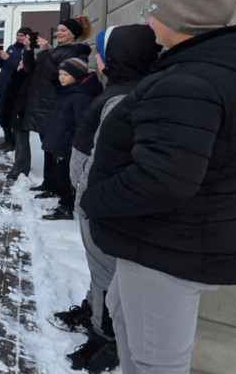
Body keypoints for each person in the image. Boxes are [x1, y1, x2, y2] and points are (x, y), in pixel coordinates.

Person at [81, 0, 236, 374]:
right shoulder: (219, 72)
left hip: (163, 247)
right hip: (171, 241)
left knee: (155, 362)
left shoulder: (188, 83)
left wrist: (95, 199)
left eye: (152, 11)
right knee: (130, 328)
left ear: (181, 19)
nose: (147, 21)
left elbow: (160, 180)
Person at [54, 24, 163, 373]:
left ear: (116, 58)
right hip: (94, 202)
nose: (96, 58)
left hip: (99, 205)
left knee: (106, 274)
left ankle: (105, 339)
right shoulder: (120, 91)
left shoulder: (120, 100)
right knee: (100, 270)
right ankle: (93, 310)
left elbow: (105, 156)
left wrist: (86, 198)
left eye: (101, 51)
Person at [11, 16, 92, 183]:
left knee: (53, 146)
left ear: (74, 34)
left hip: (53, 103)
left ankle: (54, 184)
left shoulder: (75, 53)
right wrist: (28, 50)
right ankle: (49, 184)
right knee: (48, 145)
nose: (59, 33)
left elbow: (55, 75)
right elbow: (30, 69)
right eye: (58, 30)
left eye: (63, 30)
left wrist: (44, 52)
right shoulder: (59, 50)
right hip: (42, 103)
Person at [40, 57, 102, 221]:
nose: (61, 77)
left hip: (67, 145)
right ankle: (65, 202)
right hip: (61, 141)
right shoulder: (68, 90)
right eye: (60, 74)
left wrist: (70, 145)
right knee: (61, 175)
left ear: (77, 75)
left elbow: (80, 125)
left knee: (65, 177)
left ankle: (66, 207)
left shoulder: (81, 96)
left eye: (66, 74)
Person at [0, 26, 31, 151]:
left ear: (27, 37)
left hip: (16, 88)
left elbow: (23, 67)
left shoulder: (28, 51)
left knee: (12, 116)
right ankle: (8, 138)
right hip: (4, 85)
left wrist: (8, 58)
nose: (19, 37)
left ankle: (13, 142)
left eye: (22, 35)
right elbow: (4, 66)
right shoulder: (11, 48)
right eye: (18, 35)